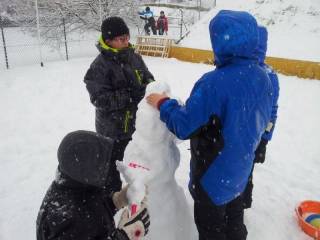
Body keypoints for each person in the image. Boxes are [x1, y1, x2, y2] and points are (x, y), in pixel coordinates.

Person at [146, 10, 273, 240]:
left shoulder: (213, 83)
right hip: (240, 170)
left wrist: (164, 103)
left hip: (213, 178)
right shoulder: (263, 77)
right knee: (234, 223)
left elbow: (183, 125)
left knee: (211, 230)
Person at [84, 17, 154, 196]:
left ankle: (138, 198)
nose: (126, 41)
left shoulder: (134, 57)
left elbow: (148, 78)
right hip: (112, 132)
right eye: (121, 39)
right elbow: (100, 99)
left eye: (127, 37)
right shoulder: (98, 67)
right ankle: (112, 204)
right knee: (112, 173)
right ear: (108, 41)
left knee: (138, 167)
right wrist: (130, 95)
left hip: (137, 127)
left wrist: (151, 88)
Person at [36, 130, 150, 240]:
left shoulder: (74, 185)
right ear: (85, 170)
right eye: (100, 164)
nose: (106, 168)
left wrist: (115, 201)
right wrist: (124, 236)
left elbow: (90, 207)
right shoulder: (67, 218)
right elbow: (83, 219)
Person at [242, 25, 280, 209]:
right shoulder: (270, 74)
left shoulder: (240, 70)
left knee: (240, 171)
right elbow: (272, 112)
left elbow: (272, 111)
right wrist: (264, 139)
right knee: (245, 170)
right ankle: (241, 201)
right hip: (253, 136)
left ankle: (240, 202)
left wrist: (264, 141)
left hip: (240, 135)